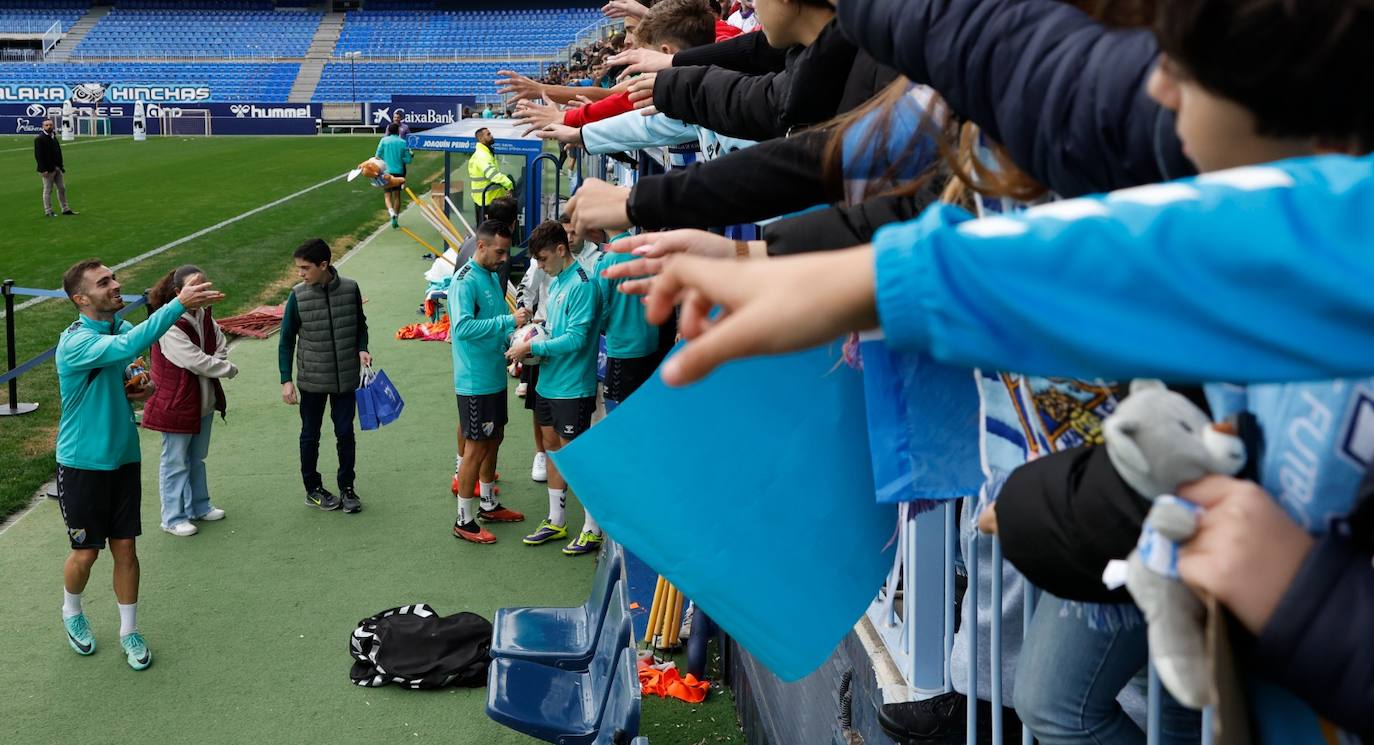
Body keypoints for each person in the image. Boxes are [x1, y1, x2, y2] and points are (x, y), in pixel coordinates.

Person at [55, 258, 222, 670]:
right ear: (81, 299)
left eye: (113, 277)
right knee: (87, 553)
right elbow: (130, 348)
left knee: (126, 547)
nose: (116, 284)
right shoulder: (75, 341)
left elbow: (133, 368)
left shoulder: (120, 328)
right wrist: (178, 304)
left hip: (124, 457)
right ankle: (72, 612)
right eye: (104, 282)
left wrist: (139, 387)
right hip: (82, 462)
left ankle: (129, 630)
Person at [506, 222, 603, 556]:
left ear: (562, 250)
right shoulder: (558, 281)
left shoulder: (582, 285)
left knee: (574, 455)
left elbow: (577, 340)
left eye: (544, 258)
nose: (541, 266)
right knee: (551, 449)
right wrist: (534, 333)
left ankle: (592, 527)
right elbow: (553, 327)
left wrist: (533, 349)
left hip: (573, 386)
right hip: (548, 382)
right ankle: (556, 519)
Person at [141, 265, 238, 538]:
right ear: (178, 292)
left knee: (197, 457)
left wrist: (218, 361)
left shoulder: (205, 314)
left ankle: (199, 505)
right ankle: (172, 517)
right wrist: (226, 368)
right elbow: (192, 360)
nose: (202, 290)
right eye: (195, 286)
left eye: (204, 284)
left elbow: (219, 342)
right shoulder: (168, 323)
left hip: (201, 401)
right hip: (176, 403)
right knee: (175, 461)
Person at [449, 220, 530, 544]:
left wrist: (517, 339)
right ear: (480, 246)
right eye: (499, 251)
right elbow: (463, 328)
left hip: (494, 375)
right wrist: (508, 321)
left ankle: (488, 503)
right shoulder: (464, 281)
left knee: (494, 439)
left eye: (506, 252)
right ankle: (464, 520)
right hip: (474, 381)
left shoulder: (492, 276)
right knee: (476, 447)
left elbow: (493, 327)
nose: (503, 257)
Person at [279, 239, 371, 514]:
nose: (300, 274)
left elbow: (360, 325)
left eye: (305, 268)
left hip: (346, 378)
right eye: (298, 268)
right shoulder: (298, 295)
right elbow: (286, 341)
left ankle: (347, 487)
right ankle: (313, 488)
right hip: (312, 381)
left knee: (345, 433)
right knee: (310, 435)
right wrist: (286, 379)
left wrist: (362, 348)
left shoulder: (351, 289)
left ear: (324, 265)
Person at [467, 127, 514, 225]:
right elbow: (492, 174)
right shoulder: (482, 156)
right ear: (480, 138)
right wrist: (508, 184)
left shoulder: (483, 154)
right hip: (488, 202)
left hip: (485, 201)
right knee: (491, 232)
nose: (491, 135)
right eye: (488, 134)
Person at [34, 118, 76, 217]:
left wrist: (60, 166)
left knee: (62, 188)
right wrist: (43, 169)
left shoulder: (53, 136)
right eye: (47, 125)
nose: (49, 127)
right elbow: (38, 155)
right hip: (47, 169)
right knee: (48, 190)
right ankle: (48, 211)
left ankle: (65, 209)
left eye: (50, 125)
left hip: (57, 167)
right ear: (43, 126)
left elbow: (58, 152)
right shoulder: (40, 139)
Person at [376, 123, 412, 229]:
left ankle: (391, 213)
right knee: (397, 196)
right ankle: (396, 216)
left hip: (386, 172)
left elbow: (377, 156)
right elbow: (408, 160)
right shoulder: (403, 142)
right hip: (399, 171)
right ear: (398, 131)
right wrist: (403, 158)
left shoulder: (384, 141)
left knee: (387, 195)